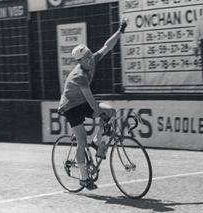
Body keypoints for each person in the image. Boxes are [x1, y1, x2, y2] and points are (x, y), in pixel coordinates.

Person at [57, 19, 128, 190]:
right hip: (70, 106)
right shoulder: (79, 76)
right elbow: (90, 99)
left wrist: (120, 30)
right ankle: (83, 178)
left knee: (110, 111)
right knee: (81, 141)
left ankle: (97, 141)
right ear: (79, 62)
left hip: (82, 101)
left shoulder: (93, 59)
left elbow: (107, 46)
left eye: (90, 55)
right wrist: (99, 114)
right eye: (86, 59)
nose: (90, 60)